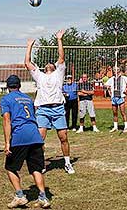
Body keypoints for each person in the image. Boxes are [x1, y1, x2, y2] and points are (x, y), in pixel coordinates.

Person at [25, 29, 75, 174]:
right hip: (42, 110)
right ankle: (41, 163)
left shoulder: (58, 74)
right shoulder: (39, 75)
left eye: (51, 64)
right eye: (47, 65)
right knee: (40, 139)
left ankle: (67, 163)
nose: (49, 64)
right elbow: (27, 63)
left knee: (63, 137)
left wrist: (59, 39)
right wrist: (29, 46)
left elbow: (61, 57)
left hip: (58, 108)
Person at [1, 75, 51, 209]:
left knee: (10, 168)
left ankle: (19, 196)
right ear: (19, 86)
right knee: (36, 168)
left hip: (20, 136)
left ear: (7, 87)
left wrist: (7, 143)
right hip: (35, 135)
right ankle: (43, 197)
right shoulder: (28, 98)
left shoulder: (6, 99)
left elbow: (7, 120)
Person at [105, 67, 127, 133]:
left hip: (121, 97)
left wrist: (126, 89)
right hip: (114, 97)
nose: (115, 71)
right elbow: (106, 85)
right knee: (115, 113)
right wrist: (108, 89)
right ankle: (115, 127)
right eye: (114, 70)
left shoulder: (123, 78)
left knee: (122, 112)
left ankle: (126, 127)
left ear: (119, 71)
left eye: (116, 70)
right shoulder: (112, 79)